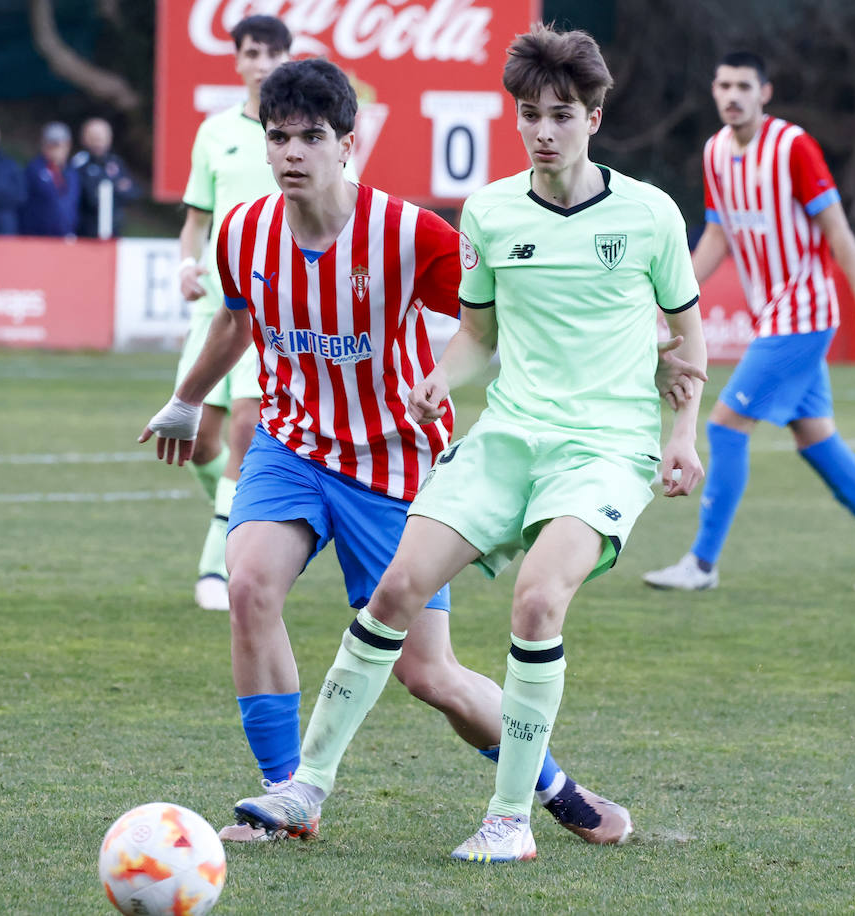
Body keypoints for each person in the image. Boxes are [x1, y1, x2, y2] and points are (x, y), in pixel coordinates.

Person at [141, 54, 704, 850]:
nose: (293, 152)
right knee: (248, 586)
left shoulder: (410, 233)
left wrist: (644, 364)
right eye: (279, 138)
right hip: (292, 444)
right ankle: (285, 797)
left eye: (310, 137)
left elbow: (508, 317)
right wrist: (185, 399)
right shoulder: (242, 232)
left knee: (426, 674)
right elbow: (235, 323)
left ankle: (549, 785)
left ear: (348, 141)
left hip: (392, 463)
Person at [641, 51, 855, 594]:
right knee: (816, 439)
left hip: (804, 314)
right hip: (771, 315)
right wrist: (670, 299)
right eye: (723, 85)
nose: (732, 95)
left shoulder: (792, 147)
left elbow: (838, 230)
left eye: (743, 86)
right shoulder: (715, 152)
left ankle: (701, 565)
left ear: (764, 93)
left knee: (724, 426)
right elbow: (719, 236)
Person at [172, 14, 293, 612]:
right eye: (252, 52)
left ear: (287, 57)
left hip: (270, 307)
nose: (262, 63)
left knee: (248, 425)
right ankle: (242, 517)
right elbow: (196, 218)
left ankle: (216, 567)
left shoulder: (303, 133)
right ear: (238, 60)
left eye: (273, 52)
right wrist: (186, 265)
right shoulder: (214, 132)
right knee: (198, 441)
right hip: (215, 304)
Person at [70, 117, 141, 239]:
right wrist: (116, 186)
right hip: (86, 233)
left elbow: (133, 192)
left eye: (102, 136)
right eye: (94, 137)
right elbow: (91, 198)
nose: (99, 141)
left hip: (113, 231)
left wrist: (110, 189)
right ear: (84, 138)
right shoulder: (79, 163)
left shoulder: (115, 163)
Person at [19, 121, 78, 237]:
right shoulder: (33, 170)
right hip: (38, 237)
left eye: (59, 144)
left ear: (68, 145)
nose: (55, 149)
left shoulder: (72, 172)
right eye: (50, 144)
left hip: (67, 237)